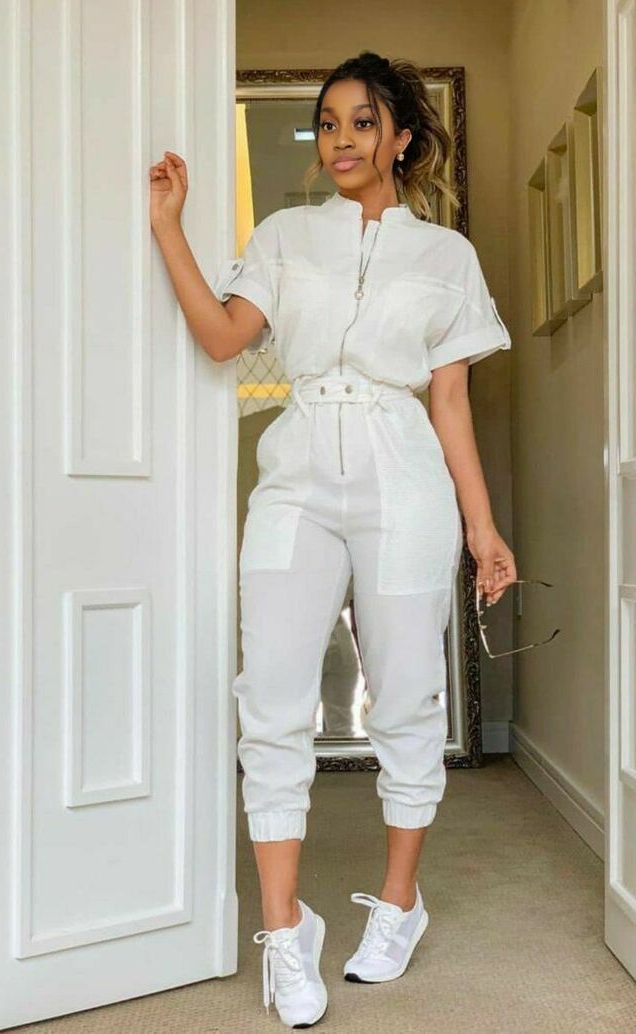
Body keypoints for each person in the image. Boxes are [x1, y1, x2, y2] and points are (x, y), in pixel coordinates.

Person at [150, 49, 517, 1031]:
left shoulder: (446, 257)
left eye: (362, 122)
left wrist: (482, 529)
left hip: (404, 477)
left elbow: (450, 402)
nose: (341, 139)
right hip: (299, 473)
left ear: (401, 138)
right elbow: (223, 337)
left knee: (405, 694)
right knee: (269, 694)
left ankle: (398, 901)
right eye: (328, 122)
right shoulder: (283, 235)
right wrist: (168, 228)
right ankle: (285, 926)